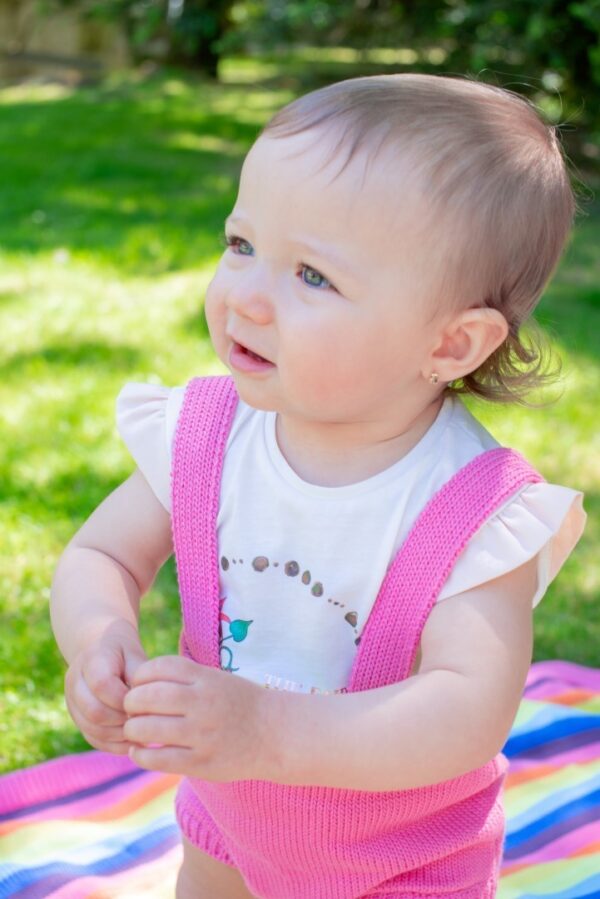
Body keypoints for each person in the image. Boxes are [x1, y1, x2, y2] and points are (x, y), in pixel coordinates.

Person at [50, 73, 587, 899]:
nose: (247, 298)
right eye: (241, 245)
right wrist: (98, 641)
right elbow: (103, 555)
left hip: (400, 863)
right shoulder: (204, 436)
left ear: (450, 343)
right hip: (231, 820)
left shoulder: (472, 512)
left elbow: (467, 707)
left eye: (312, 277)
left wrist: (267, 729)